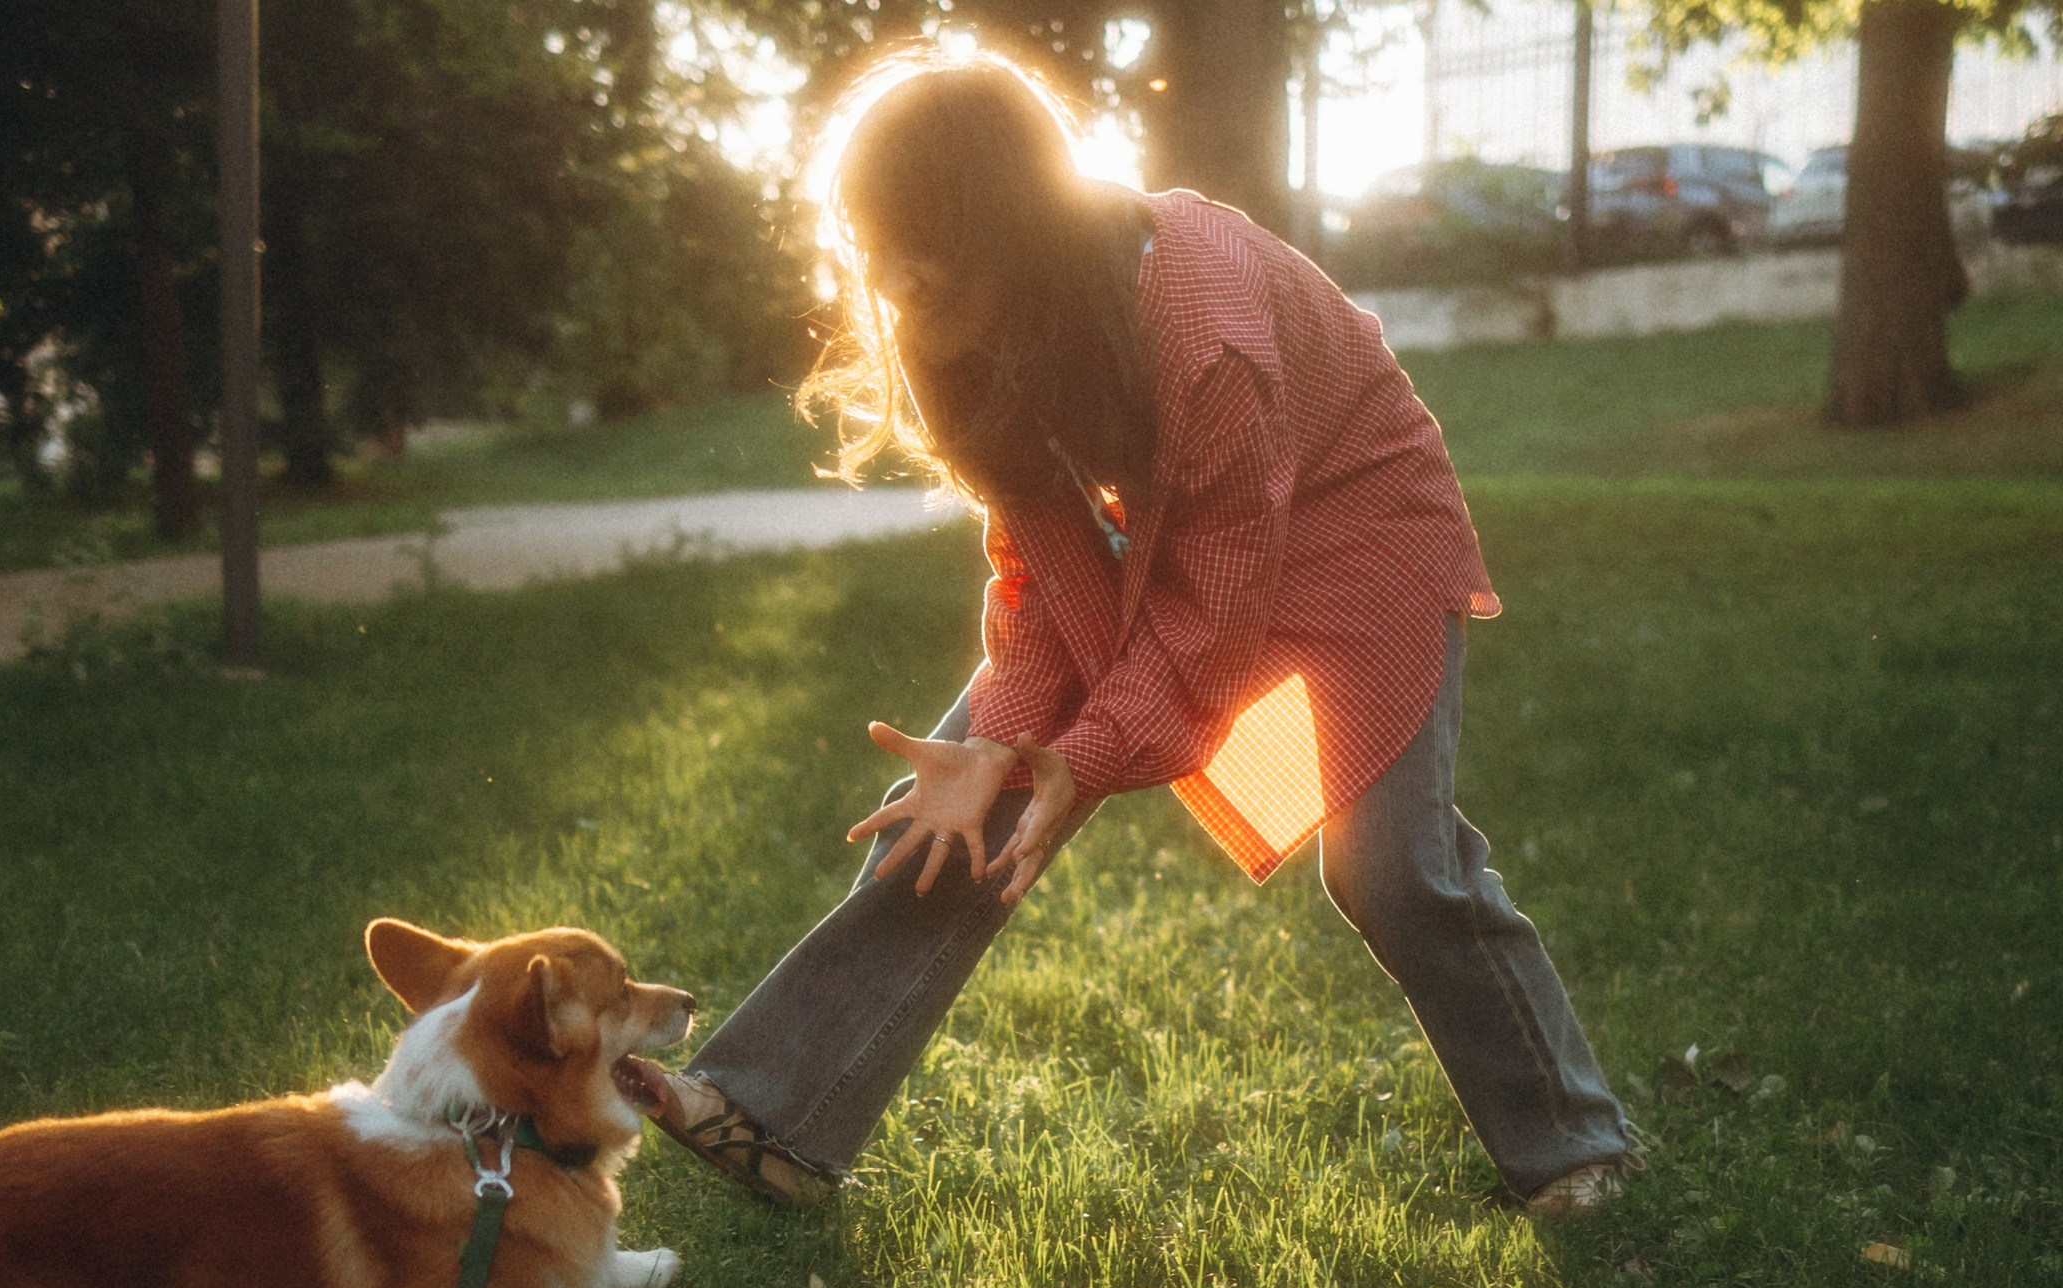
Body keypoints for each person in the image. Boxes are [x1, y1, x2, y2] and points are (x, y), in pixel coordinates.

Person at [623, 46, 1639, 1217]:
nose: (896, 287)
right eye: (879, 253)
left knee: (1390, 870)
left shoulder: (1204, 334)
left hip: (1354, 529)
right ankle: (776, 1117)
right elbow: (1037, 563)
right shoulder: (952, 309)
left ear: (1013, 235)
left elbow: (1205, 634)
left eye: (928, 259)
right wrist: (1001, 749)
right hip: (1196, 530)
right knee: (958, 806)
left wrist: (1076, 760)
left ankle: (1571, 1142)